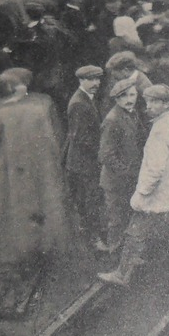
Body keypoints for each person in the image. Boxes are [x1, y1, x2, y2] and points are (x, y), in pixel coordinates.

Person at [0, 68, 75, 318]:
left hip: (11, 173)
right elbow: (55, 137)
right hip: (43, 169)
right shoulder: (42, 106)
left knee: (14, 212)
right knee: (42, 208)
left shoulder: (1, 112)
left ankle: (22, 255)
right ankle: (43, 247)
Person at [99, 84, 169, 292]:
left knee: (135, 232)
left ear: (166, 104)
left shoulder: (159, 130)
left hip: (156, 195)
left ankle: (122, 274)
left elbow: (154, 170)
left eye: (154, 102)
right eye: (147, 101)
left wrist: (141, 194)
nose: (148, 106)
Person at [97, 79, 144, 253]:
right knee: (116, 220)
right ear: (116, 99)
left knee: (129, 217)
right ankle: (114, 256)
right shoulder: (113, 119)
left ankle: (127, 258)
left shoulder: (132, 113)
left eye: (132, 95)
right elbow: (105, 155)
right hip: (115, 181)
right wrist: (126, 172)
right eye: (123, 96)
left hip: (129, 177)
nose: (129, 99)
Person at [63, 65, 104, 244]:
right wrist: (101, 152)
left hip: (83, 161)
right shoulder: (79, 103)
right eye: (91, 79)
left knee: (88, 200)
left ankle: (90, 237)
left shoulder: (87, 98)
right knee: (89, 201)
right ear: (81, 80)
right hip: (83, 163)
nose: (96, 83)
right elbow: (81, 138)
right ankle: (93, 240)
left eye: (97, 79)